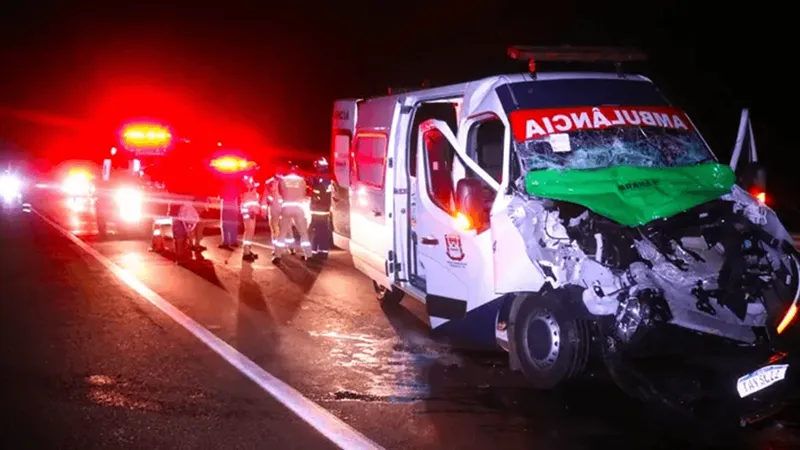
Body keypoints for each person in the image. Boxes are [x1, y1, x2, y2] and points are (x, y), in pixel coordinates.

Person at [273, 163, 311, 264]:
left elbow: (281, 193)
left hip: (286, 208)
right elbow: (304, 194)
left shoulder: (283, 180)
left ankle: (277, 256)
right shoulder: (302, 180)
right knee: (303, 232)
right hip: (298, 208)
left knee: (282, 232)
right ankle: (308, 255)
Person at [309, 157, 333, 260]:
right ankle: (323, 251)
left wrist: (313, 184)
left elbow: (317, 193)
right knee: (323, 231)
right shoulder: (328, 178)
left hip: (319, 209)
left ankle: (314, 251)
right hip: (325, 209)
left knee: (317, 231)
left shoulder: (321, 179)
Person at [261, 172, 283, 257]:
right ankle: (277, 248)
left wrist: (264, 210)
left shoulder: (270, 183)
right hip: (277, 209)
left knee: (275, 230)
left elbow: (265, 197)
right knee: (276, 230)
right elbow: (265, 197)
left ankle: (277, 249)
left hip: (276, 209)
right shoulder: (282, 181)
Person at [240, 178, 260, 262]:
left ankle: (247, 250)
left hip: (250, 213)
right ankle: (246, 253)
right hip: (250, 213)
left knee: (248, 232)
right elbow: (247, 203)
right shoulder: (247, 191)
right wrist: (251, 211)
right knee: (249, 232)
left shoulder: (250, 191)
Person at [219, 180, 240, 250]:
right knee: (233, 224)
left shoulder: (224, 184)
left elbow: (221, 196)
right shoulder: (235, 183)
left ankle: (226, 242)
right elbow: (237, 194)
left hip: (226, 203)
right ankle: (233, 241)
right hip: (233, 203)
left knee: (225, 224)